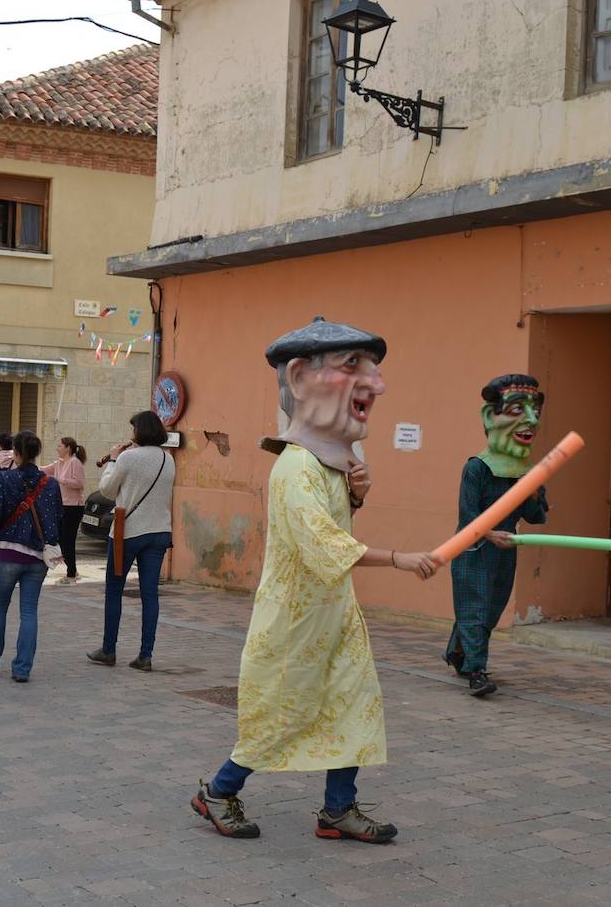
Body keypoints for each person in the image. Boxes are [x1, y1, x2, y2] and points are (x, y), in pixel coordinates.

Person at [189, 317, 440, 841]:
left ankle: (337, 809)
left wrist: (357, 495)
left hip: (335, 613)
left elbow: (337, 524)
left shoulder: (332, 466)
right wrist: (398, 558)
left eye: (372, 369)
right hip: (293, 624)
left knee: (352, 703)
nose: (376, 383)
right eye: (353, 366)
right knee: (281, 715)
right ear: (300, 378)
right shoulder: (295, 468)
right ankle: (218, 791)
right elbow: (323, 544)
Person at [444, 374, 549, 697]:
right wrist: (491, 534)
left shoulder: (529, 472)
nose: (530, 420)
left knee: (488, 610)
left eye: (534, 411)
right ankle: (477, 672)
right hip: (473, 549)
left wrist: (532, 492)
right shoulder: (476, 467)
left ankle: (458, 653)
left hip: (505, 551)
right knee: (475, 608)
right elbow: (468, 514)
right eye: (517, 410)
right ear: (491, 417)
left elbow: (535, 517)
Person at [86, 411, 176, 671]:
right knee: (150, 594)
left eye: (133, 428)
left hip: (128, 531)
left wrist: (112, 461)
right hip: (159, 531)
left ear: (140, 431)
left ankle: (108, 650)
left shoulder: (127, 457)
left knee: (114, 590)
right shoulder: (168, 460)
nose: (130, 433)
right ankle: (145, 655)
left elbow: (107, 490)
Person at [0, 431, 63, 682]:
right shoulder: (50, 483)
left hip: (8, 552)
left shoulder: (5, 479)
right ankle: (22, 668)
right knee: (29, 611)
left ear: (17, 453)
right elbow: (57, 518)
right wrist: (51, 541)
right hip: (37, 556)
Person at [41, 436, 87, 584]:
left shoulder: (75, 462)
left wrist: (60, 480)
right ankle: (72, 570)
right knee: (61, 539)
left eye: (60, 446)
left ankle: (72, 574)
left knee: (68, 540)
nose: (57, 448)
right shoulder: (59, 463)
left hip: (74, 507)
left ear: (68, 448)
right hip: (62, 505)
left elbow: (79, 484)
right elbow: (43, 470)